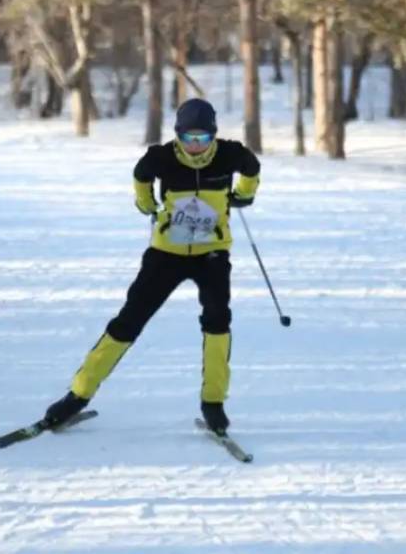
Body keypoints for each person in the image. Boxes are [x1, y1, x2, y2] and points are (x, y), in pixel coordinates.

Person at [43, 98, 261, 434]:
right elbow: (140, 176)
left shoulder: (229, 154)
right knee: (130, 319)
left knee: (218, 320)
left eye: (203, 139)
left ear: (214, 136)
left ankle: (213, 403)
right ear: (177, 135)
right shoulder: (160, 157)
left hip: (212, 253)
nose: (194, 146)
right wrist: (147, 205)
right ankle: (78, 395)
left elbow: (251, 168)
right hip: (166, 254)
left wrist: (244, 195)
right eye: (188, 138)